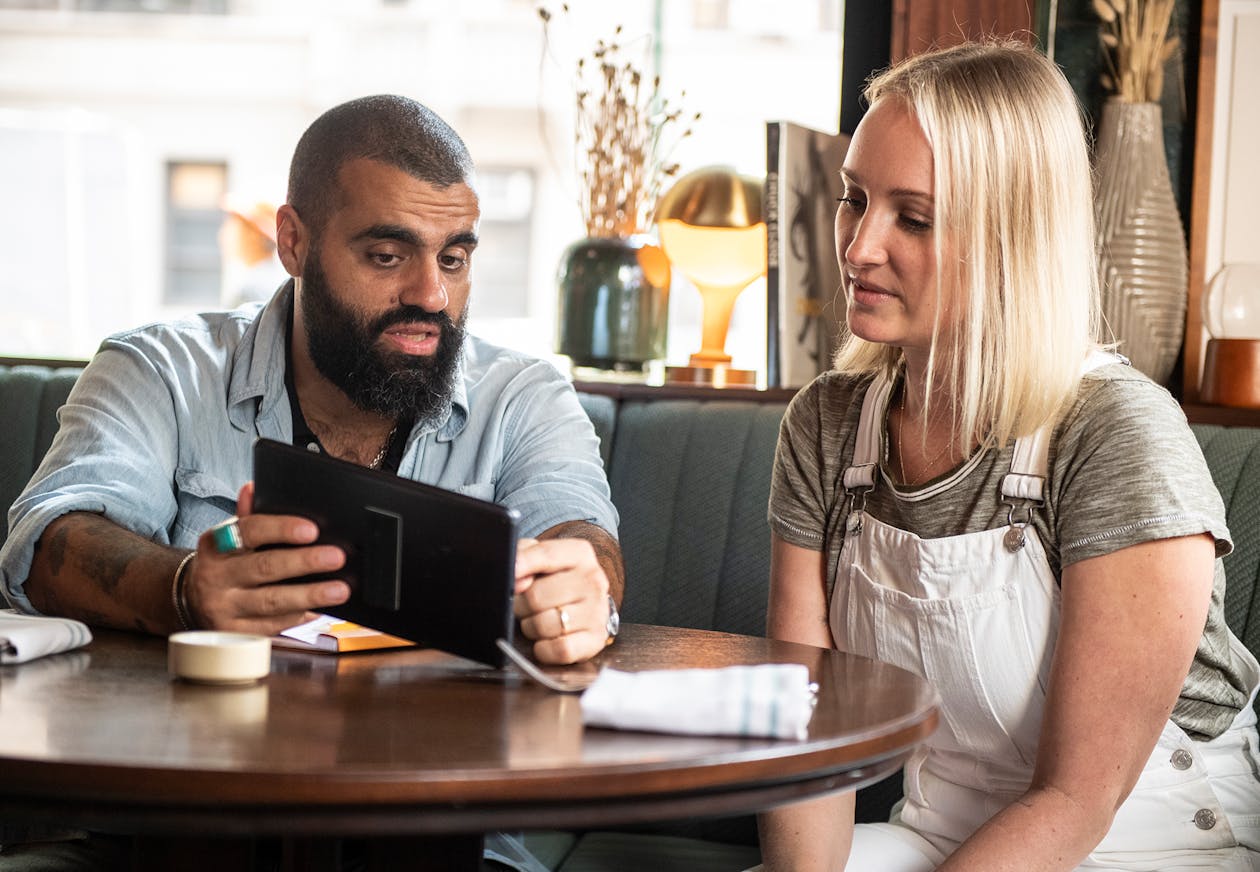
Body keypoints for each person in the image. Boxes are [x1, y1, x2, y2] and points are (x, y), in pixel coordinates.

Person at [757, 41, 1260, 871]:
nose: (857, 248)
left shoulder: (1116, 433)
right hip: (944, 831)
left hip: (1149, 837)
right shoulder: (825, 427)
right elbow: (810, 736)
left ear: (1009, 237)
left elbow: (1077, 800)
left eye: (912, 217)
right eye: (854, 199)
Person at [1, 93, 622, 664]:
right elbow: (50, 545)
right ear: (293, 242)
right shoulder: (161, 371)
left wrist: (584, 588)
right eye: (387, 256)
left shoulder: (524, 397)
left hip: (443, 763)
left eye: (453, 259)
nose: (432, 295)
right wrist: (184, 590)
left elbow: (580, 531)